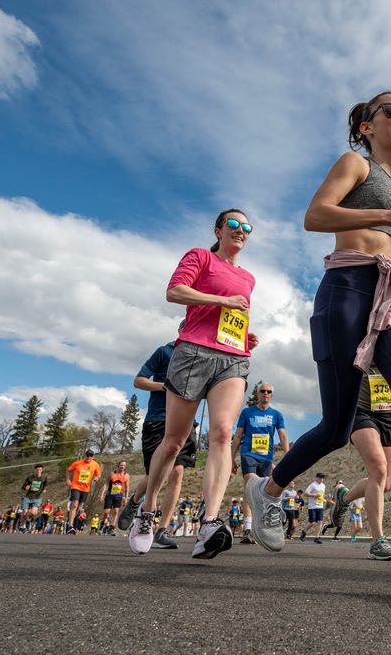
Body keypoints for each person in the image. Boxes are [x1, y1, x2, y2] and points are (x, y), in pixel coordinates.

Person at [245, 90, 391, 598]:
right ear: (366, 125)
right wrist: (385, 219)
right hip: (346, 291)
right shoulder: (357, 163)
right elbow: (317, 216)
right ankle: (266, 490)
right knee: (335, 426)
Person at [128, 208, 260, 560]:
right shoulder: (200, 256)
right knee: (173, 443)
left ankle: (209, 524)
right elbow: (175, 292)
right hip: (192, 354)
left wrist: (244, 336)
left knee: (221, 432)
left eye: (247, 227)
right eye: (233, 224)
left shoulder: (248, 278)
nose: (241, 230)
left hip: (232, 358)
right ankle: (147, 512)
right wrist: (221, 300)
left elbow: (231, 317)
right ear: (218, 230)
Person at [120, 332, 199, 550]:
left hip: (185, 422)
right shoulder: (164, 351)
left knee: (177, 472)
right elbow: (139, 381)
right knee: (155, 474)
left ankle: (161, 530)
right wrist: (164, 386)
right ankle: (136, 500)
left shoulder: (200, 356)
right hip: (158, 420)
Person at [338, 369, 391, 560]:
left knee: (385, 483)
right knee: (378, 468)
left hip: (390, 413)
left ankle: (344, 497)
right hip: (360, 409)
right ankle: (378, 541)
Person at [229, 381, 288, 544]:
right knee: (249, 486)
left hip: (266, 458)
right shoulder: (247, 412)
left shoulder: (276, 415)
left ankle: (258, 527)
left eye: (269, 391)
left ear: (272, 395)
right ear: (258, 394)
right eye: (263, 391)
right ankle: (247, 528)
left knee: (263, 492)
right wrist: (231, 457)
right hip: (249, 454)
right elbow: (238, 435)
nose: (266, 394)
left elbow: (282, 436)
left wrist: (289, 457)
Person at [64, 450, 102, 533]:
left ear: (93, 457)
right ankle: (70, 525)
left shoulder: (95, 464)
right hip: (75, 486)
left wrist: (97, 478)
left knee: (79, 507)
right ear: (85, 455)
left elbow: (98, 474)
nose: (89, 457)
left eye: (91, 455)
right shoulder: (77, 463)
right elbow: (68, 470)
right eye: (88, 455)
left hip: (85, 489)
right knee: (75, 504)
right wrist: (67, 479)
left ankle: (71, 521)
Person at [299, 473, 328, 544]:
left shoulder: (323, 486)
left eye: (323, 478)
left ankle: (317, 537)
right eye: (320, 478)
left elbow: (322, 495)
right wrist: (314, 495)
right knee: (311, 522)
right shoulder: (312, 485)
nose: (321, 479)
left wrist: (324, 498)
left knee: (320, 521)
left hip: (320, 506)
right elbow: (305, 493)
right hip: (312, 506)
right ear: (317, 478)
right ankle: (304, 531)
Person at [102, 461, 129, 533]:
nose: (122, 466)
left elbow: (127, 488)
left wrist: (126, 498)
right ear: (118, 465)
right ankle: (102, 523)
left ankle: (112, 526)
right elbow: (105, 483)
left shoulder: (126, 476)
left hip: (119, 496)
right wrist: (102, 494)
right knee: (107, 511)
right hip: (110, 494)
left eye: (124, 465)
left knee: (116, 511)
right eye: (121, 465)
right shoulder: (112, 474)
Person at [20, 465, 48, 533]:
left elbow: (45, 485)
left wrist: (44, 489)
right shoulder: (30, 477)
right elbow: (23, 486)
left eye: (40, 470)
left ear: (42, 470)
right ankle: (22, 526)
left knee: (33, 513)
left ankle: (29, 519)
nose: (38, 471)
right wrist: (25, 487)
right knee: (24, 513)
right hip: (28, 497)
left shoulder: (44, 478)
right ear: (34, 470)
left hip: (37, 498)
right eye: (37, 470)